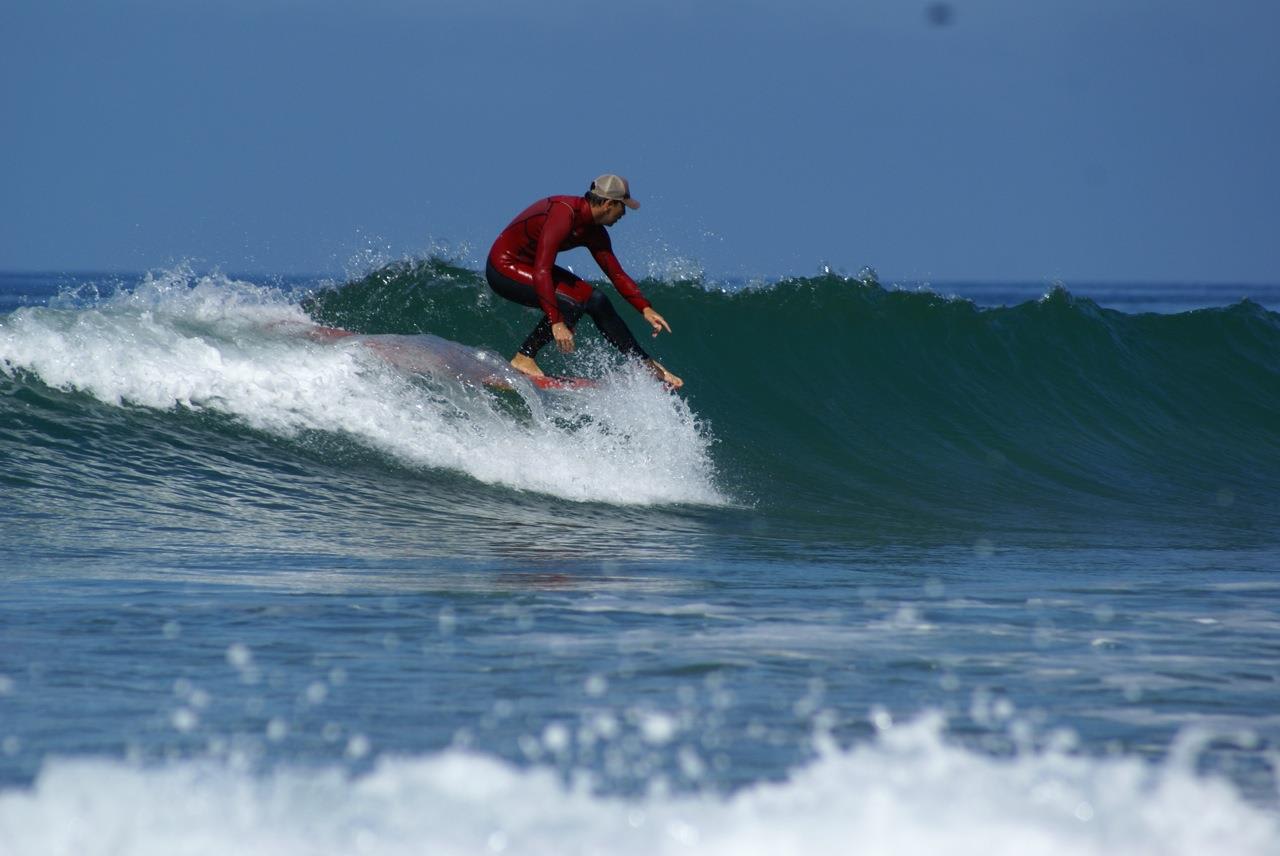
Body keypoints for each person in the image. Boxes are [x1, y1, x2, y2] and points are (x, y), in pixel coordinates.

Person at [485, 174, 683, 388]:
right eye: (622, 207)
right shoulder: (563, 213)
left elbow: (616, 275)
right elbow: (543, 270)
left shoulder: (594, 232)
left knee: (596, 300)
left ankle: (642, 362)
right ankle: (524, 358)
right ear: (608, 204)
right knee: (572, 303)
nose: (623, 214)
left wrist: (644, 308)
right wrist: (557, 321)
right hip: (504, 268)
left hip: (531, 268)